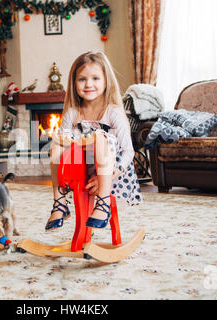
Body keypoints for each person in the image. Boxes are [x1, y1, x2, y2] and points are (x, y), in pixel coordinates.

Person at [45, 51, 142, 231]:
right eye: (82, 79)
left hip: (114, 172)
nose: (89, 84)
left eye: (95, 78)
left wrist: (106, 177)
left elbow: (128, 152)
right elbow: (66, 148)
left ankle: (103, 203)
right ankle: (59, 203)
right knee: (58, 141)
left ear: (106, 81)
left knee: (99, 137)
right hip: (83, 170)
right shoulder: (72, 114)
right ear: (74, 83)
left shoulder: (113, 113)